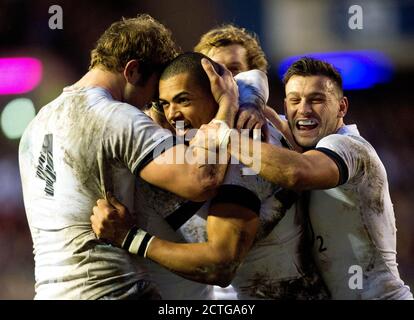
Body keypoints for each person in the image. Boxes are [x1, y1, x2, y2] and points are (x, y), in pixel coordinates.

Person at [18, 15, 239, 300]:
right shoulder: (116, 117)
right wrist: (227, 106)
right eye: (152, 95)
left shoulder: (36, 124)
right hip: (108, 291)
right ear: (133, 71)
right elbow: (202, 178)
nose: (152, 107)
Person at [91, 52, 328, 300]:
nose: (173, 114)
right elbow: (250, 78)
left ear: (215, 94)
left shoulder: (243, 145)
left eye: (183, 100)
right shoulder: (210, 140)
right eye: (165, 104)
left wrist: (129, 237)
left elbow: (221, 265)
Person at [209, 57, 413, 300]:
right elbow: (256, 78)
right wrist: (252, 104)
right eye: (295, 100)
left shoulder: (348, 146)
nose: (304, 109)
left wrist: (225, 137)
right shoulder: (308, 143)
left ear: (342, 107)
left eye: (317, 100)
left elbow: (297, 173)